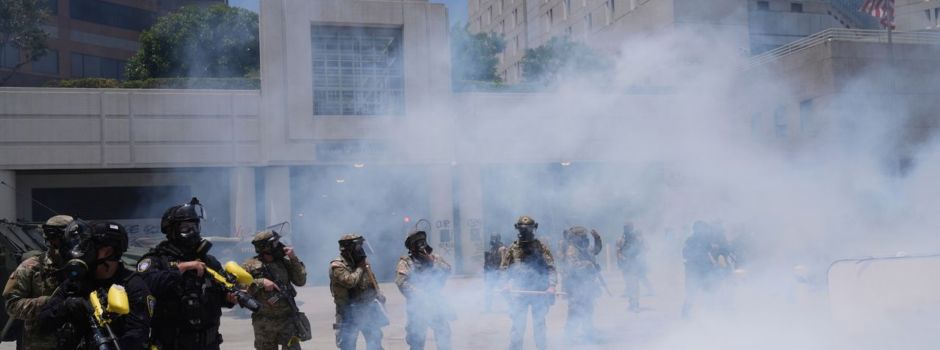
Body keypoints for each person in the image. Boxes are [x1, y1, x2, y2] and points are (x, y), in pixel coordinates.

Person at [136, 197, 235, 350]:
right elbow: (145, 286)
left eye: (195, 227)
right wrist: (181, 268)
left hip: (209, 344)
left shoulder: (209, 261)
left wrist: (230, 297)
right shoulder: (156, 260)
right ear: (172, 231)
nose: (192, 232)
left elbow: (220, 296)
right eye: (186, 228)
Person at [37, 220, 152, 350]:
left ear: (108, 252)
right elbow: (42, 324)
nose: (81, 251)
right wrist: (65, 307)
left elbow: (137, 336)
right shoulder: (75, 283)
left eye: (88, 247)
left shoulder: (132, 285)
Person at [2, 215, 73, 350]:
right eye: (65, 239)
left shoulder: (82, 265)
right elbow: (11, 305)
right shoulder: (31, 267)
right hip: (41, 345)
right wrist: (50, 303)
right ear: (51, 240)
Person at [243, 230, 308, 350]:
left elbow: (301, 281)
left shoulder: (284, 262)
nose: (279, 245)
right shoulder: (250, 265)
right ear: (265, 247)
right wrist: (261, 282)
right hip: (264, 322)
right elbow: (239, 287)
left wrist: (293, 258)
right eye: (275, 243)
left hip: (287, 320)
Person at [500, 216, 557, 350]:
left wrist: (552, 286)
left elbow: (551, 268)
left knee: (539, 326)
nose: (525, 231)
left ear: (533, 228)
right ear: (518, 229)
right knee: (518, 327)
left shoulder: (541, 247)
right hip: (520, 292)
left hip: (539, 291)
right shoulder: (513, 248)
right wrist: (505, 284)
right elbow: (504, 269)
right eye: (522, 229)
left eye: (528, 228)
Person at [395, 230, 454, 350]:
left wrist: (432, 262)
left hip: (435, 304)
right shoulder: (406, 262)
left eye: (423, 241)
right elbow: (401, 282)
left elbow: (448, 270)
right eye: (417, 242)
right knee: (417, 340)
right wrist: (420, 294)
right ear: (412, 247)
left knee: (443, 333)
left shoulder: (435, 258)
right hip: (417, 307)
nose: (421, 245)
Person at [330, 234, 387, 350]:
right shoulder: (338, 265)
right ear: (348, 248)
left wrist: (378, 294)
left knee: (375, 343)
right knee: (348, 345)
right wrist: (360, 268)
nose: (360, 250)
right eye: (357, 247)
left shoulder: (362, 263)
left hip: (366, 309)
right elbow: (349, 281)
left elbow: (371, 280)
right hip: (348, 312)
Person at [681, 220, 734, 317]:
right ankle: (687, 314)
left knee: (706, 292)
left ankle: (706, 313)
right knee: (695, 293)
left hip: (701, 271)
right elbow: (686, 255)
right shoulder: (693, 241)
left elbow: (720, 250)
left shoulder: (704, 240)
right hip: (696, 271)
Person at [558, 226, 603, 342]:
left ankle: (588, 331)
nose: (585, 238)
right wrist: (589, 265)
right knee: (575, 310)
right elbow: (573, 266)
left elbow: (596, 250)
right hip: (575, 285)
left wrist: (597, 239)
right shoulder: (572, 249)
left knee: (588, 308)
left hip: (587, 284)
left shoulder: (584, 248)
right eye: (582, 236)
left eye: (585, 236)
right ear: (575, 237)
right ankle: (569, 335)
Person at [615, 223, 645, 312]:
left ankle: (635, 304)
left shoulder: (636, 239)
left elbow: (641, 251)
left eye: (629, 228)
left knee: (634, 284)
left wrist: (637, 260)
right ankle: (632, 303)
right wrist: (623, 260)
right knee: (629, 285)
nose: (628, 230)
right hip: (625, 266)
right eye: (626, 228)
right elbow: (618, 252)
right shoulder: (620, 240)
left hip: (634, 265)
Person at [483, 233, 507, 312]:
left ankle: (512, 306)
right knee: (488, 291)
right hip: (492, 273)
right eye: (492, 238)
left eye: (494, 238)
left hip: (499, 273)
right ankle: (487, 308)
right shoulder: (492, 249)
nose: (492, 240)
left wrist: (501, 271)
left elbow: (504, 260)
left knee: (504, 291)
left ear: (498, 239)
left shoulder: (502, 248)